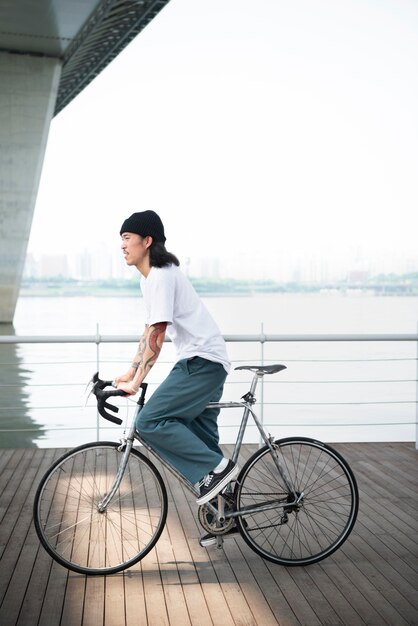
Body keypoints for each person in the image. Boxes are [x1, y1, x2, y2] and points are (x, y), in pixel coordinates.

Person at [115, 210, 239, 509]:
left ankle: (221, 467)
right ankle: (226, 515)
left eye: (127, 238)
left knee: (150, 422)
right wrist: (130, 372)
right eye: (121, 239)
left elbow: (158, 331)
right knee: (202, 440)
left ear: (147, 241)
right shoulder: (150, 280)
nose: (122, 245)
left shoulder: (161, 276)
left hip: (201, 363)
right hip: (206, 362)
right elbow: (148, 333)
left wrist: (137, 381)